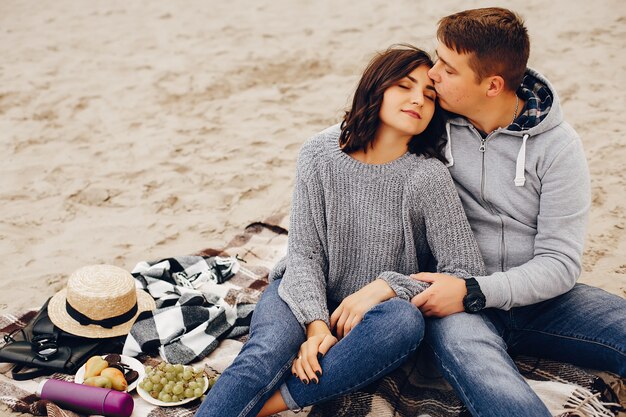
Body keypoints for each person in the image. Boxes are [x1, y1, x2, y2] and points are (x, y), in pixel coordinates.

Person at [194, 45, 485, 417]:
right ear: (376, 87)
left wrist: (390, 286)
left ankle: (267, 405)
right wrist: (316, 328)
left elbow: (465, 271)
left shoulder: (428, 177)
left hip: (375, 318)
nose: (418, 100)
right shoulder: (319, 153)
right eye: (404, 86)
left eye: (429, 95)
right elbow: (304, 253)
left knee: (405, 323)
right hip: (301, 294)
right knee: (266, 351)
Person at [408, 7, 626, 417]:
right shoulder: (429, 123)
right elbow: (364, 131)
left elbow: (560, 263)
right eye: (436, 57)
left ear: (492, 85)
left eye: (448, 68)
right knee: (481, 367)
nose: (432, 73)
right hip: (455, 301)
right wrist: (464, 292)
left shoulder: (558, 147)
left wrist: (479, 290)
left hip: (542, 299)